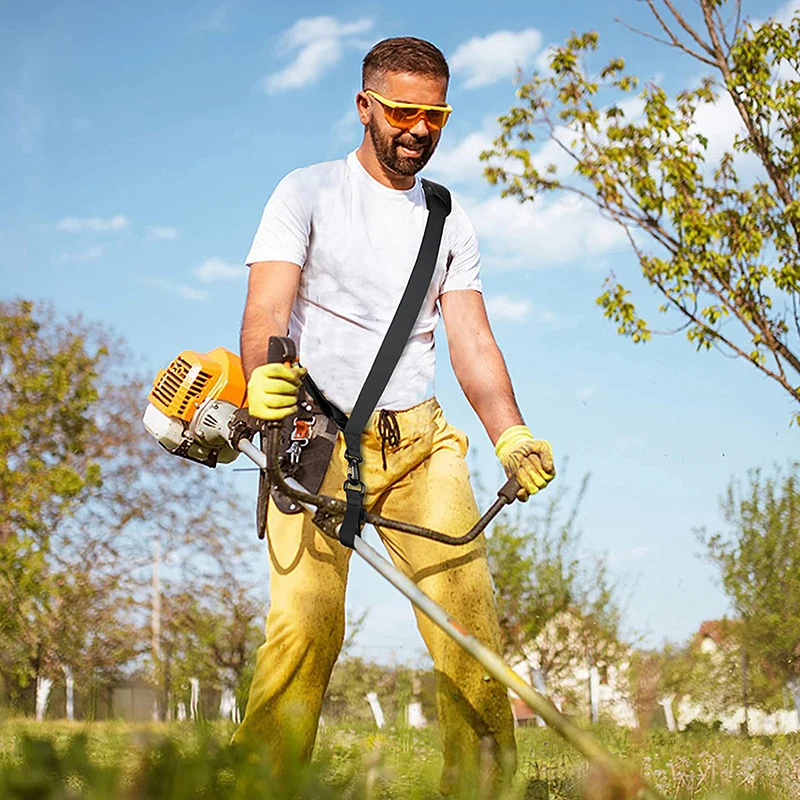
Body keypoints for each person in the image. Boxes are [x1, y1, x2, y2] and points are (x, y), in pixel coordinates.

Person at [234, 35, 556, 795]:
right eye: (403, 111)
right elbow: (264, 310)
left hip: (420, 446)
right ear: (365, 106)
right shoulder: (305, 192)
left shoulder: (448, 218)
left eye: (434, 114)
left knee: (467, 627)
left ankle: (482, 790)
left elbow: (471, 339)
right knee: (307, 628)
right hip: (313, 438)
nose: (418, 129)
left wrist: (509, 432)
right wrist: (260, 379)